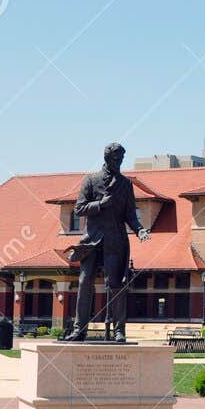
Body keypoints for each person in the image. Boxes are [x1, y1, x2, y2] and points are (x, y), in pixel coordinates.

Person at [62, 142, 150, 342]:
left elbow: (130, 214)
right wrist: (100, 204)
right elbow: (79, 209)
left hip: (115, 241)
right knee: (85, 282)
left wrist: (139, 230)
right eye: (116, 159)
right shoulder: (91, 181)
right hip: (92, 241)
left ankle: (119, 331)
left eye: (121, 159)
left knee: (116, 285)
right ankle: (79, 330)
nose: (119, 162)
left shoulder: (126, 184)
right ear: (107, 159)